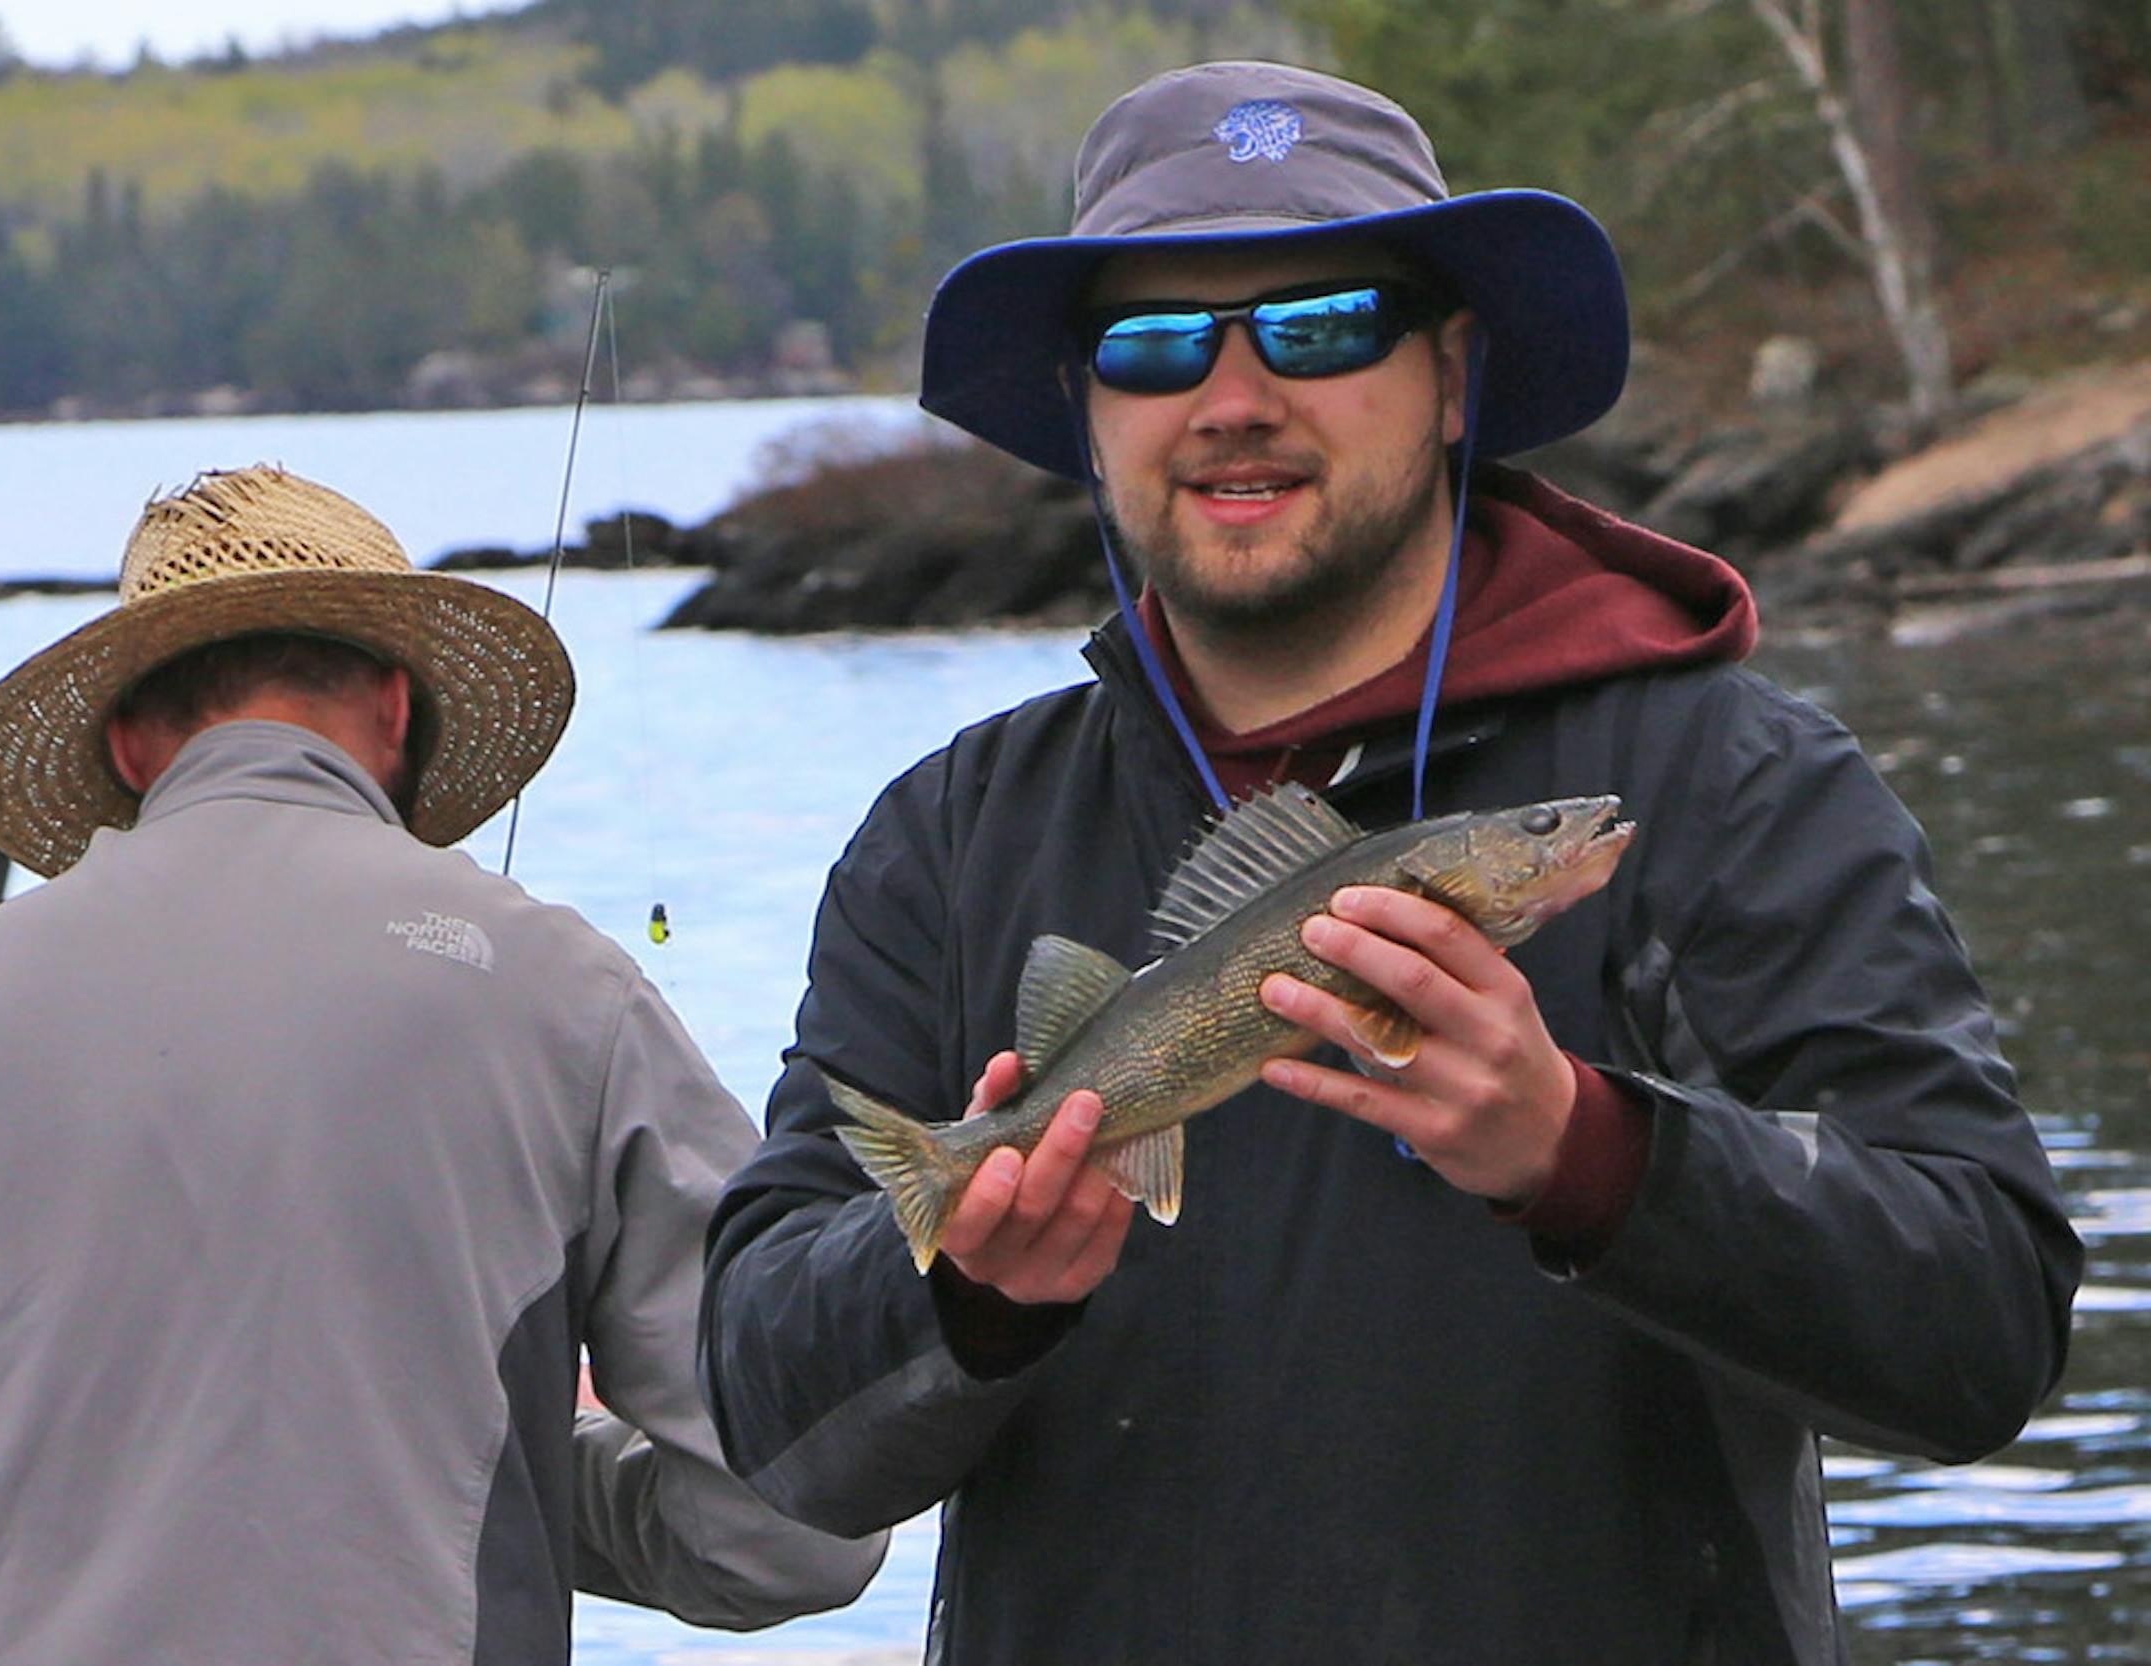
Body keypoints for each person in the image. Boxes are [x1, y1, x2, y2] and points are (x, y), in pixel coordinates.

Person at [699, 60, 2082, 1665]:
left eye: (1324, 322)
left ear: (1452, 370)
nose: (1232, 397)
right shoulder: (948, 835)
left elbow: (1982, 1331)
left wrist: (1593, 1156)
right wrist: (968, 1292)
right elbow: (773, 1430)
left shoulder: (1734, 787)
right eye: (1154, 344)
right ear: (1087, 407)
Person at [0, 466, 884, 1664]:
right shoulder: (567, 989)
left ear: (130, 745)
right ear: (399, 709)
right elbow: (793, 1527)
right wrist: (500, 1460)